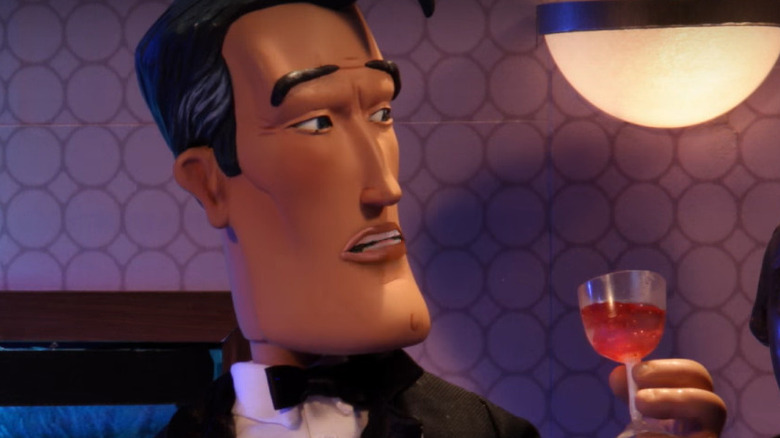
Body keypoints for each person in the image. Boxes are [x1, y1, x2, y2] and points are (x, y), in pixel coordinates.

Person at [135, 1, 726, 436]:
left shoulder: (489, 433)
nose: (385, 185)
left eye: (381, 112)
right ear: (209, 182)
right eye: (316, 123)